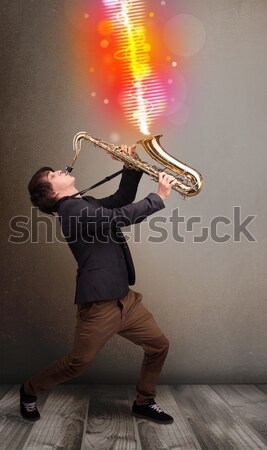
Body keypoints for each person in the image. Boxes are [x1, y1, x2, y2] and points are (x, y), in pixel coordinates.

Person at [21, 143, 177, 424]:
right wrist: (159, 196)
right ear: (54, 193)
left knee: (159, 345)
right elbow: (119, 216)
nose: (58, 169)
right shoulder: (71, 212)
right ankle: (29, 389)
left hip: (125, 299)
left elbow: (121, 198)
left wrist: (130, 165)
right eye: (52, 174)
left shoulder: (85, 203)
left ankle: (144, 402)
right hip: (99, 304)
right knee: (77, 364)